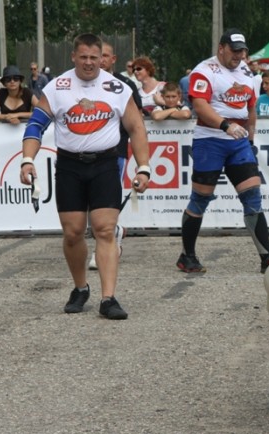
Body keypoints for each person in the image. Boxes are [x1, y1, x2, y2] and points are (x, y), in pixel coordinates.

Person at [19, 33, 151, 320]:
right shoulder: (57, 87)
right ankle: (81, 288)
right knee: (73, 232)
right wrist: (27, 159)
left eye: (95, 57)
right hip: (69, 166)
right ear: (73, 57)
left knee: (105, 230)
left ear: (101, 57)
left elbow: (136, 128)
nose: (89, 63)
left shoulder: (116, 88)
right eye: (84, 57)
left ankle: (109, 298)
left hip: (104, 164)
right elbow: (35, 126)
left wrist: (144, 166)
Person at [176, 28, 269, 274]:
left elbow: (251, 106)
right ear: (221, 48)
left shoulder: (246, 70)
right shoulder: (204, 71)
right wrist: (225, 124)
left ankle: (266, 257)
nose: (239, 55)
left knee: (252, 197)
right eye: (235, 51)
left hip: (239, 142)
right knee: (200, 199)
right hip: (210, 140)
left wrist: (251, 140)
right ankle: (187, 255)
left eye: (243, 51)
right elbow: (200, 106)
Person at [86, 41, 145, 271]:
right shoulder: (81, 83)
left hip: (115, 150)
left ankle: (102, 245)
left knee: (105, 199)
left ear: (113, 59)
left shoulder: (125, 84)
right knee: (89, 202)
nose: (100, 60)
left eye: (105, 56)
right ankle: (116, 231)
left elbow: (137, 120)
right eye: (97, 55)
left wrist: (143, 161)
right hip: (84, 152)